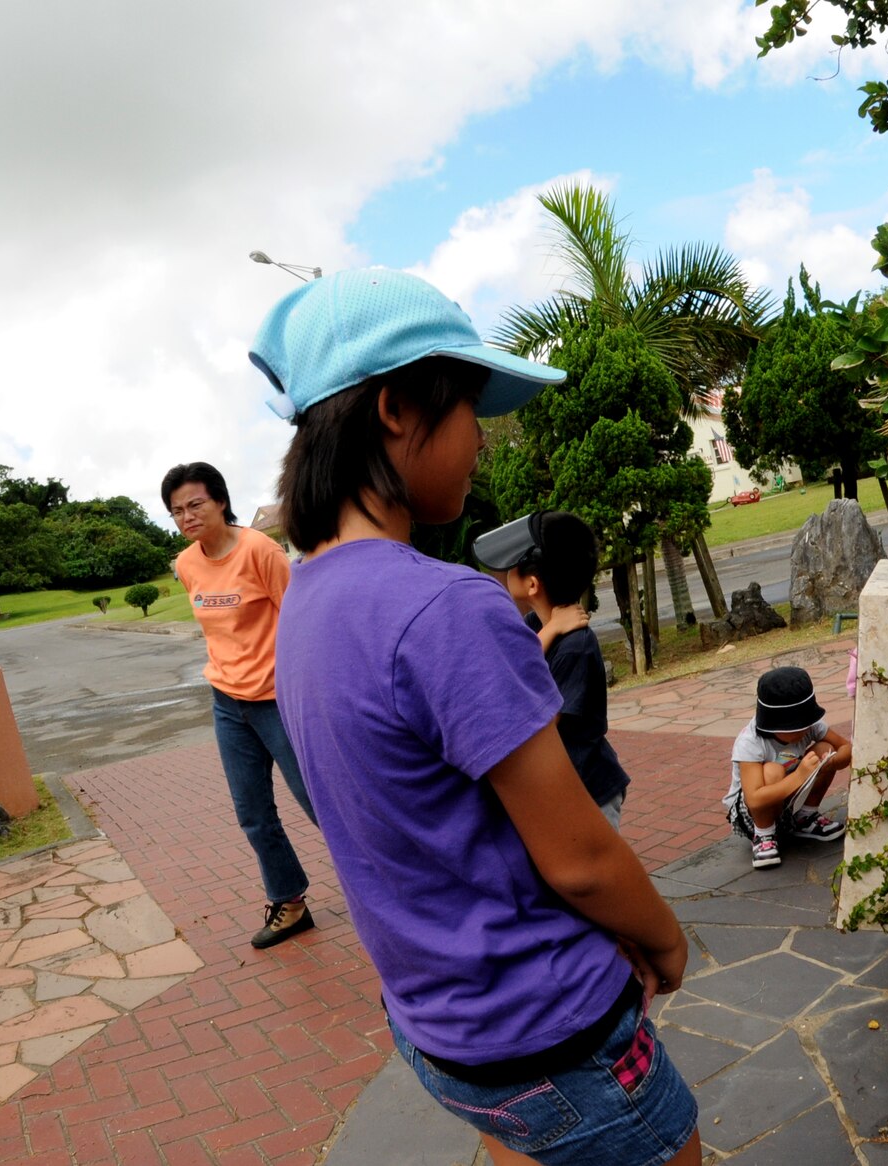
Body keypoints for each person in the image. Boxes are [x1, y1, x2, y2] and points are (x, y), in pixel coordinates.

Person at [257, 267, 701, 1166]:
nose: (483, 440)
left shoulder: (302, 604)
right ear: (393, 408)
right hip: (549, 1027)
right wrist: (666, 940)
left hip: (437, 1034)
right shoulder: (446, 607)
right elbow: (579, 859)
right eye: (468, 408)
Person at [161, 461, 318, 950]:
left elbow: (300, 620)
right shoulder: (187, 564)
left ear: (220, 501)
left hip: (279, 701)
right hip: (227, 703)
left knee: (320, 802)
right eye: (176, 510)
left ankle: (387, 885)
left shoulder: (259, 550)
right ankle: (289, 903)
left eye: (194, 504)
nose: (186, 516)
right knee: (252, 811)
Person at [474, 510, 632, 826]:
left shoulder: (576, 646)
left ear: (532, 584)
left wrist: (549, 634)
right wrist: (548, 632)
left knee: (591, 872)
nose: (501, 576)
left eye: (509, 569)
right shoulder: (537, 625)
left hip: (588, 792)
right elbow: (505, 667)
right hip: (562, 788)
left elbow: (541, 720)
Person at [725, 665, 851, 870]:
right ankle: (764, 836)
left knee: (824, 748)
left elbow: (846, 748)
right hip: (752, 815)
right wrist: (800, 775)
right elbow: (754, 799)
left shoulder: (811, 727)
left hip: (791, 802)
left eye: (806, 723)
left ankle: (805, 819)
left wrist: (832, 762)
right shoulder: (751, 742)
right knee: (772, 770)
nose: (805, 730)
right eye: (796, 726)